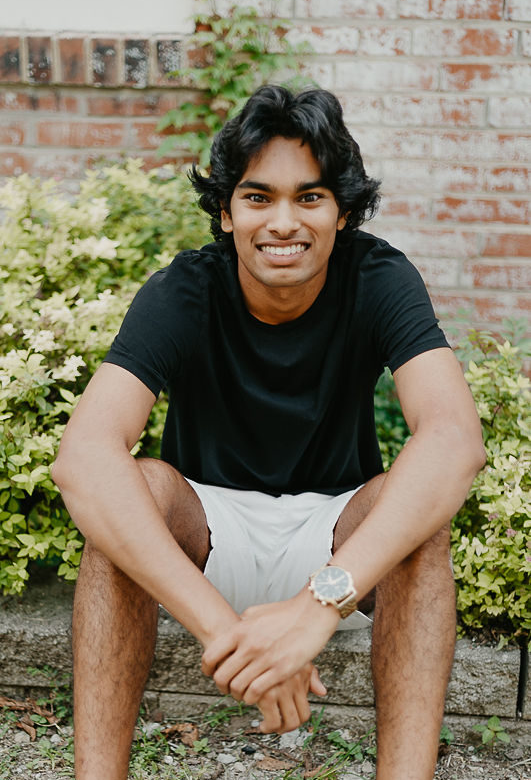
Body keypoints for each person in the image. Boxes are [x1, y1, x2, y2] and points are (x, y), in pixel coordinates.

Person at [51, 85, 485, 780]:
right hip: (206, 532)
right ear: (225, 212)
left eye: (308, 197)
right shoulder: (184, 290)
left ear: (341, 212)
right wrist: (230, 633)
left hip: (335, 538)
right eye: (258, 197)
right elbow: (82, 457)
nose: (283, 222)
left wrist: (317, 607)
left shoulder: (377, 278)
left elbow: (453, 439)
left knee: (415, 520)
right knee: (129, 498)